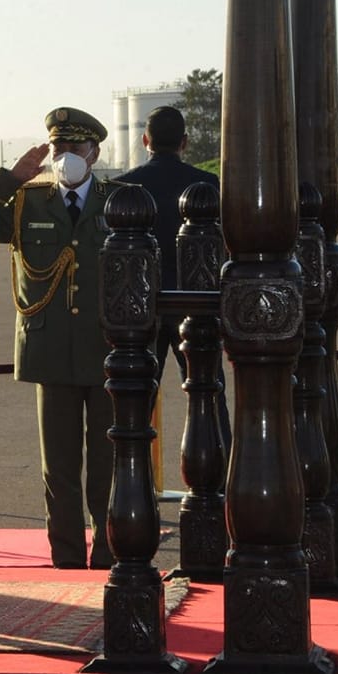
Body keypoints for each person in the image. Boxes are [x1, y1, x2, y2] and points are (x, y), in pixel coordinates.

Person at [0, 107, 115, 570]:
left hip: (108, 350)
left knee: (108, 463)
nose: (65, 154)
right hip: (50, 350)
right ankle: (66, 557)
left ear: (94, 152)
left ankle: (110, 553)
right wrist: (11, 179)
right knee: (59, 466)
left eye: (75, 146)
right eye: (58, 146)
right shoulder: (29, 201)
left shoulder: (118, 201)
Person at [117, 105, 230, 448]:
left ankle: (129, 473)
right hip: (196, 305)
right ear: (185, 142)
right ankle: (222, 468)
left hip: (142, 305)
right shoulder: (208, 184)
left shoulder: (124, 187)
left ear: (145, 140)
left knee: (135, 404)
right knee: (209, 396)